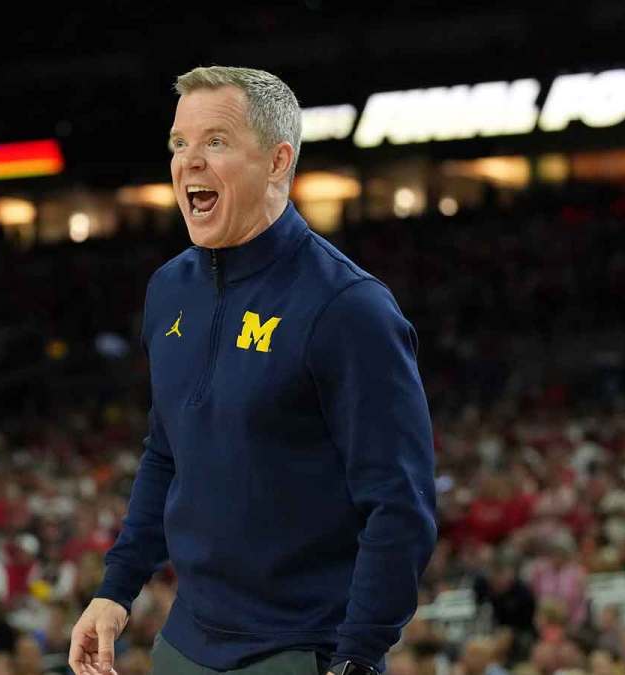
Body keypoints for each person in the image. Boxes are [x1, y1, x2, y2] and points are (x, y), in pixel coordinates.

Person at [69, 66, 437, 675]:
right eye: (179, 143)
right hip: (186, 640)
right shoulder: (168, 290)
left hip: (297, 648)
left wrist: (357, 658)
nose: (189, 161)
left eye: (215, 141)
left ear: (276, 162)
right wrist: (117, 588)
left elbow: (400, 504)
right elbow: (166, 453)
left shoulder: (348, 307)